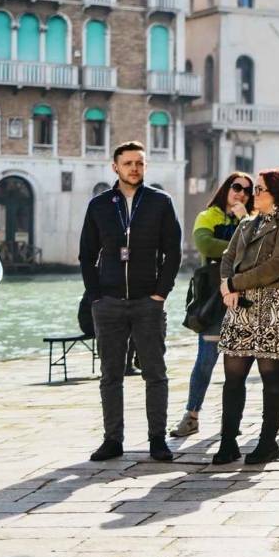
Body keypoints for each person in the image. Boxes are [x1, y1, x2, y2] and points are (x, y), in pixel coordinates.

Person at [80, 141, 183, 463]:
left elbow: (173, 252)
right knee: (110, 374)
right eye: (127, 163)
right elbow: (86, 253)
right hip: (108, 301)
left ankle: (157, 439)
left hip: (147, 301)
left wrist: (160, 293)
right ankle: (112, 439)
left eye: (139, 163)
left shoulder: (160, 202)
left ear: (145, 166)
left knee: (155, 372)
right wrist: (95, 295)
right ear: (115, 167)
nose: (134, 168)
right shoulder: (99, 204)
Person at [215, 169, 279, 465]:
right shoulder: (246, 223)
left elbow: (277, 265)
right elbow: (229, 259)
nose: (253, 194)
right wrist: (227, 287)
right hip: (240, 305)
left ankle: (268, 443)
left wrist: (233, 284)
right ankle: (227, 442)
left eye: (260, 189)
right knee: (233, 376)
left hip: (274, 305)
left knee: (271, 375)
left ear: (277, 193)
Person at [172, 172, 252, 438]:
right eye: (236, 187)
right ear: (226, 189)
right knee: (205, 361)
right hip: (213, 300)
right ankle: (191, 414)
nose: (241, 192)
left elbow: (259, 247)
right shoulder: (209, 216)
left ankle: (232, 420)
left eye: (247, 190)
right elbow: (204, 244)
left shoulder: (251, 219)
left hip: (246, 297)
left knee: (239, 364)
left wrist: (243, 219)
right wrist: (240, 248)